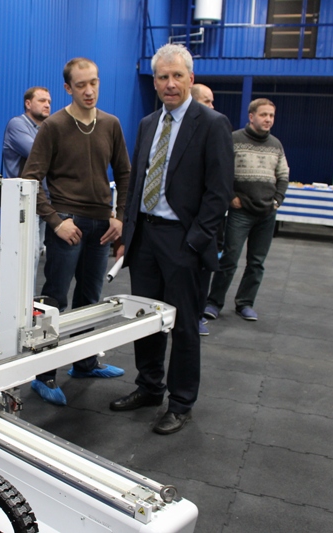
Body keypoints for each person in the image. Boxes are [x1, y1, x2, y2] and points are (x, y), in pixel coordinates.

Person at [109, 43, 233, 435]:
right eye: (162, 77)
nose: (170, 84)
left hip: (183, 241)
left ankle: (180, 403)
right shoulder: (148, 123)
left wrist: (195, 241)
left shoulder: (211, 124)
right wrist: (129, 232)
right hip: (146, 237)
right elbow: (136, 182)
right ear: (155, 82)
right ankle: (149, 387)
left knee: (183, 326)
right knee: (146, 320)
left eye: (177, 76)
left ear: (190, 79)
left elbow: (219, 192)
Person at [21, 58, 131, 406]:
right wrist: (56, 221)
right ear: (68, 88)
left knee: (89, 299)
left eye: (93, 83)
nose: (89, 91)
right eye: (81, 85)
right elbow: (30, 179)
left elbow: (125, 173)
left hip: (102, 226)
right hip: (67, 223)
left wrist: (120, 217)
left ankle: (84, 364)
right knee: (54, 300)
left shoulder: (111, 124)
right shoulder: (53, 126)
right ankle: (43, 375)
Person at [204, 98, 289, 322]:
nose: (268, 119)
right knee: (229, 259)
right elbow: (222, 171)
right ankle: (213, 303)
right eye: (263, 115)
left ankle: (245, 303)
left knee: (257, 262)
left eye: (271, 115)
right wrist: (231, 197)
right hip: (240, 212)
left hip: (267, 213)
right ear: (251, 117)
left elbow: (283, 176)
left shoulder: (276, 145)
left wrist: (276, 202)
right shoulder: (234, 139)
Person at [3, 87, 52, 260]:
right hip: (24, 203)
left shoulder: (46, 129)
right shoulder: (17, 125)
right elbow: (38, 153)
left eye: (49, 102)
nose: (47, 105)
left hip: (44, 200)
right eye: (42, 101)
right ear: (28, 104)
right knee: (27, 259)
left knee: (37, 253)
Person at [190, 83, 216, 337]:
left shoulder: (215, 128)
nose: (212, 106)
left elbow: (218, 188)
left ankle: (197, 316)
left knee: (201, 274)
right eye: (207, 101)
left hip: (201, 226)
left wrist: (201, 233)